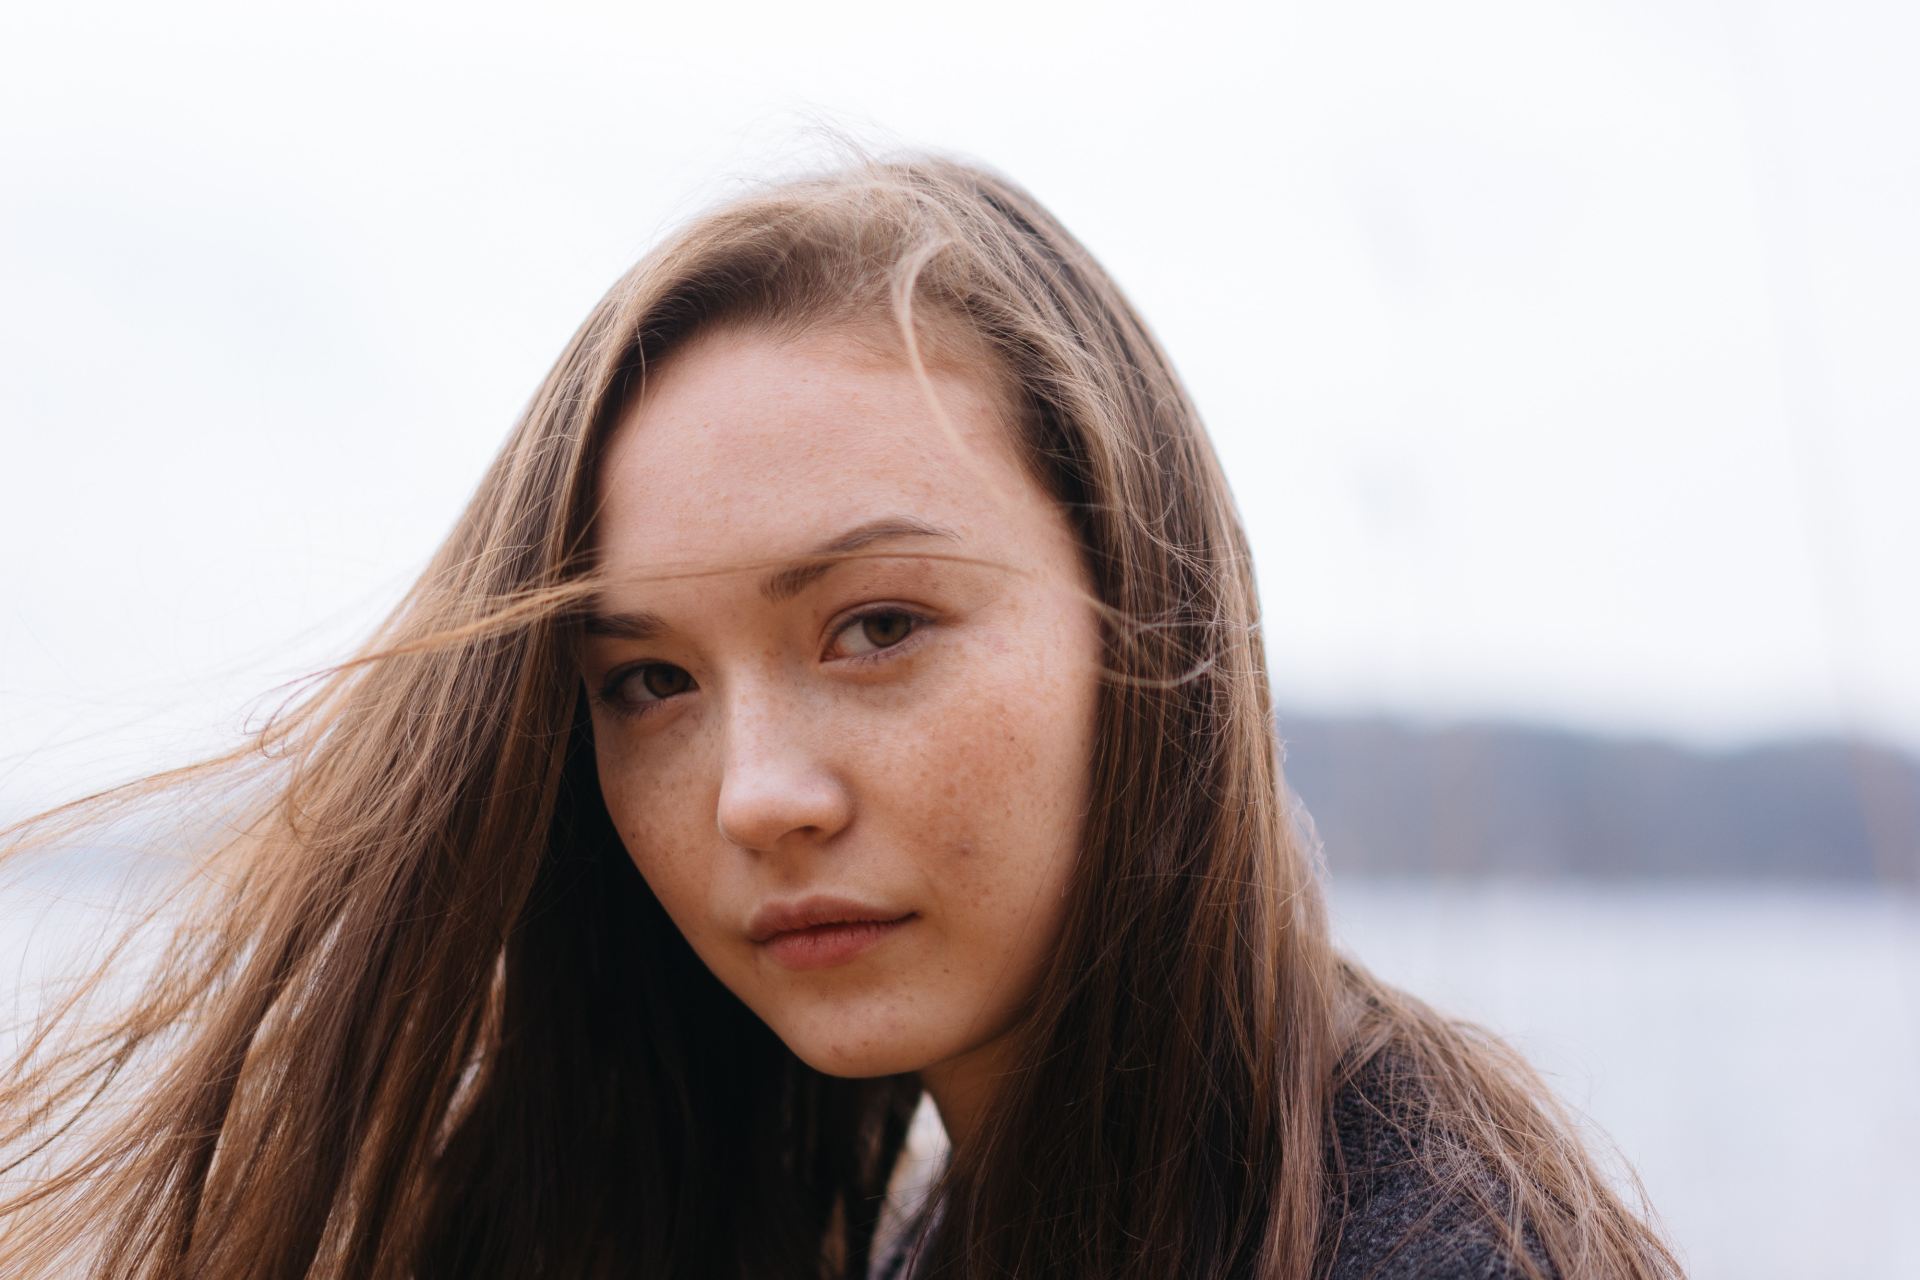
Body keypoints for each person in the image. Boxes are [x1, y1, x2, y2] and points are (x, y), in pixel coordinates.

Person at [0, 149, 1682, 1279]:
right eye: (647, 680)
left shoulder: (1423, 1243)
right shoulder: (974, 1220)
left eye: (877, 626)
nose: (755, 796)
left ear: (1144, 619)